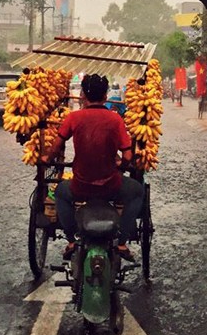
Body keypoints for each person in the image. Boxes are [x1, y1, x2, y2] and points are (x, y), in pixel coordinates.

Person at [41, 73, 144, 262]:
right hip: (111, 187)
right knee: (138, 192)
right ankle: (122, 242)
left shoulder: (74, 118)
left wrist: (47, 157)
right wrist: (122, 165)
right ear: (105, 96)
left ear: (82, 95)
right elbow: (128, 155)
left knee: (60, 194)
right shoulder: (115, 120)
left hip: (81, 187)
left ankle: (71, 240)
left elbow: (56, 146)